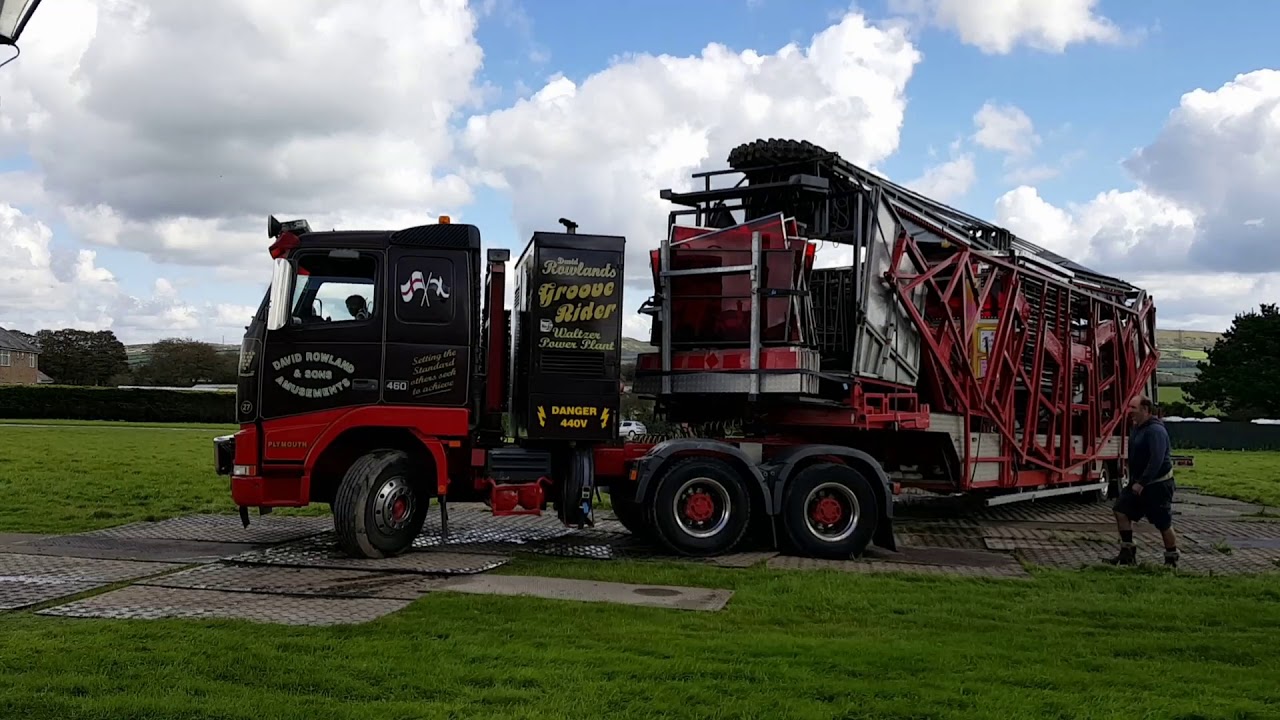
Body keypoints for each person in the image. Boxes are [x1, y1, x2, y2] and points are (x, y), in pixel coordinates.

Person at [1108, 395, 1179, 568]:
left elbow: (1156, 460)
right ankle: (1127, 553)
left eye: (1133, 408)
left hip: (1157, 485)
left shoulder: (1156, 430)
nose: (1129, 412)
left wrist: (1143, 482)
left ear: (1145, 410)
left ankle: (1171, 559)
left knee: (1163, 523)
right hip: (1137, 482)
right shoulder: (1138, 428)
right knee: (1120, 510)